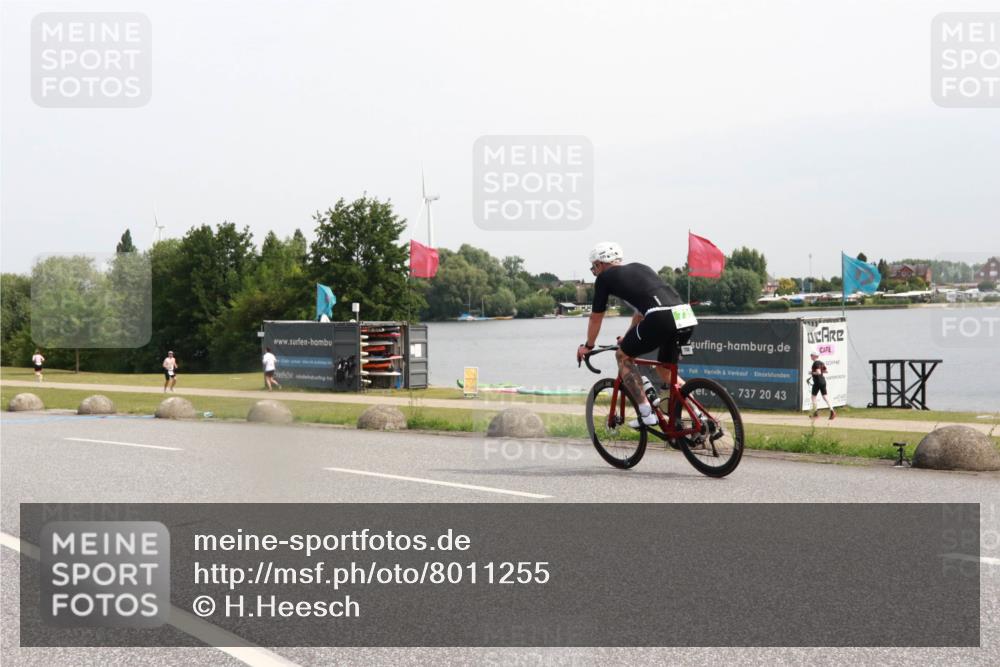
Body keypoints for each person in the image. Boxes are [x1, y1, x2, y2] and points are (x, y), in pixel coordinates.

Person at [575, 242, 697, 428]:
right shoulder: (641, 267)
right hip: (685, 315)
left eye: (594, 267)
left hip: (660, 316)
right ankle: (699, 417)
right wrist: (628, 337)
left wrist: (588, 346)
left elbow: (596, 317)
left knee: (623, 356)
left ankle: (646, 414)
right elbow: (641, 312)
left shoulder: (604, 278)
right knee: (665, 370)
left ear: (600, 264)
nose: (594, 271)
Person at [809, 352, 836, 420]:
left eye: (811, 355)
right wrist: (819, 371)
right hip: (823, 381)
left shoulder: (816, 363)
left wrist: (811, 372)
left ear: (815, 356)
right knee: (825, 397)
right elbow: (826, 371)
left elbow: (819, 372)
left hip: (818, 382)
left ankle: (815, 414)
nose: (811, 356)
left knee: (813, 397)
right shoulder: (821, 362)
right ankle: (832, 411)